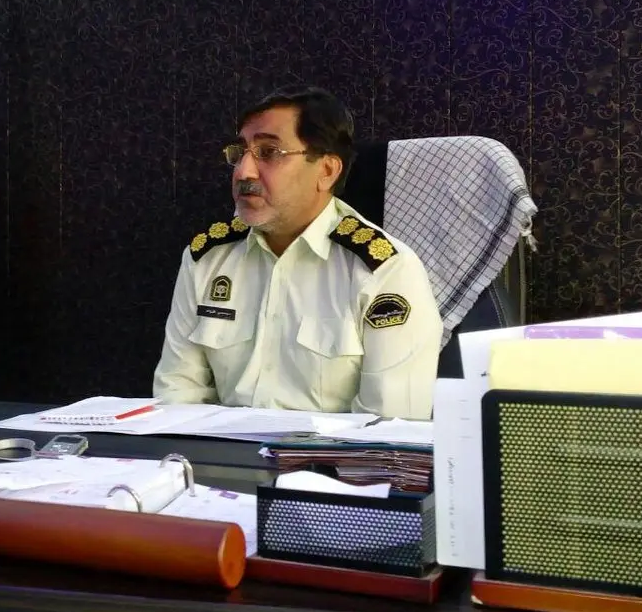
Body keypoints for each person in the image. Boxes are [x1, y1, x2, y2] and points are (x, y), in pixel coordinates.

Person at [152, 86, 442, 419]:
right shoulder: (208, 258)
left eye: (269, 152)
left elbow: (389, 425)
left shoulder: (384, 270)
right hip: (219, 451)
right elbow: (178, 392)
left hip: (330, 455)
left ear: (326, 171)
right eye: (241, 152)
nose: (243, 172)